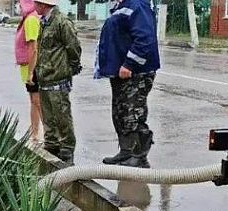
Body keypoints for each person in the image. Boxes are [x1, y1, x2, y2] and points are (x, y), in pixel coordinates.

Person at [96, 0, 160, 168]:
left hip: (136, 72)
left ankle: (138, 156)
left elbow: (145, 39)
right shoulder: (122, 6)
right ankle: (126, 151)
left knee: (133, 113)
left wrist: (129, 64)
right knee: (121, 112)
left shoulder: (137, 5)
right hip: (121, 72)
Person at [33, 0, 82, 162]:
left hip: (58, 76)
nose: (34, 6)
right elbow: (41, 49)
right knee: (48, 114)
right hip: (44, 77)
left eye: (36, 3)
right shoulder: (44, 23)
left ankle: (67, 145)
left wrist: (71, 67)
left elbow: (73, 47)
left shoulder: (61, 22)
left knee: (61, 112)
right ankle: (52, 142)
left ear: (44, 5)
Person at [15, 0, 42, 143]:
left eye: (20, 5)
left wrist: (31, 72)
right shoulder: (28, 18)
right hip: (29, 67)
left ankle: (50, 136)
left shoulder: (31, 19)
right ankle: (35, 133)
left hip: (33, 67)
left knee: (37, 101)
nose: (18, 7)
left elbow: (34, 48)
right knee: (33, 100)